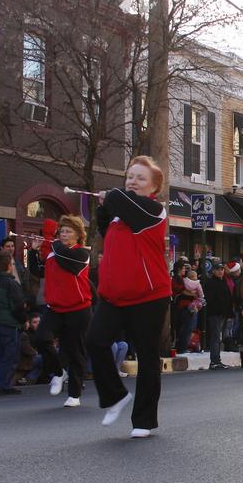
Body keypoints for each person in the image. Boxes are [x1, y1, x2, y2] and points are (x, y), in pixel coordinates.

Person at [85, 155, 171, 439]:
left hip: (149, 296)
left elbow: (120, 201)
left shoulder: (153, 211)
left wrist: (111, 197)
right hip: (114, 295)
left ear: (153, 188)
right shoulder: (120, 213)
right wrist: (103, 206)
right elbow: (105, 220)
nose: (133, 181)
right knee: (95, 341)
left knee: (147, 357)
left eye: (140, 178)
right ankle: (114, 396)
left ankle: (144, 420)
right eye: (130, 176)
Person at [27, 215, 93, 408]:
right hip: (55, 308)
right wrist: (33, 252)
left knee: (75, 351)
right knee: (41, 339)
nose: (63, 235)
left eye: (68, 231)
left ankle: (74, 394)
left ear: (78, 235)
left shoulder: (81, 254)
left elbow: (65, 259)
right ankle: (58, 371)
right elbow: (39, 271)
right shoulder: (53, 252)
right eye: (61, 231)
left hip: (79, 309)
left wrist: (53, 244)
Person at [0, 252, 28, 395]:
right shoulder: (11, 284)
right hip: (10, 323)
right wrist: (23, 320)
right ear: (9, 266)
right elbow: (18, 306)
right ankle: (5, 385)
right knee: (10, 356)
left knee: (0, 355)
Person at [202, 260, 233, 370]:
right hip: (215, 314)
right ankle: (214, 361)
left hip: (223, 314)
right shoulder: (210, 283)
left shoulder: (223, 282)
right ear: (213, 271)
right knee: (216, 337)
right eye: (218, 270)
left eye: (222, 269)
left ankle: (217, 360)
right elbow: (210, 299)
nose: (220, 272)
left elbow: (227, 298)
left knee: (219, 337)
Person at [170, 261, 197, 354]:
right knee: (184, 328)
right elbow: (181, 290)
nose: (185, 270)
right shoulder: (176, 279)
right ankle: (181, 347)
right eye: (183, 269)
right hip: (181, 307)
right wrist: (193, 294)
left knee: (186, 328)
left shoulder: (182, 278)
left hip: (185, 306)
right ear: (179, 269)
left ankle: (182, 346)